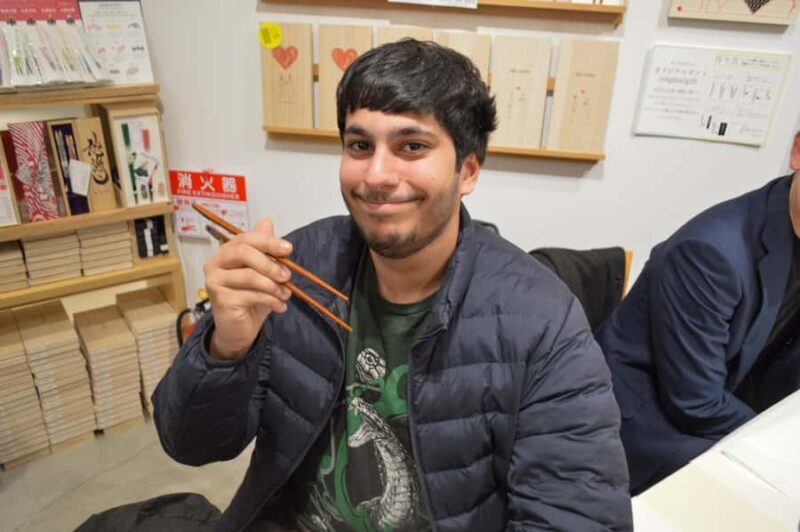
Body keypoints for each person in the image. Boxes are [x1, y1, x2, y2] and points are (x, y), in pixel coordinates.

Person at [153, 39, 631, 531]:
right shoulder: (296, 268)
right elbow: (189, 444)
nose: (377, 175)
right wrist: (226, 345)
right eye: (360, 146)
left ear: (467, 170)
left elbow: (578, 517)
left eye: (412, 146)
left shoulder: (543, 321)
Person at [596, 130, 800, 495]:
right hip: (643, 432)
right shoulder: (711, 253)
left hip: (725, 411)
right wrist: (774, 452)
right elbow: (695, 404)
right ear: (798, 151)